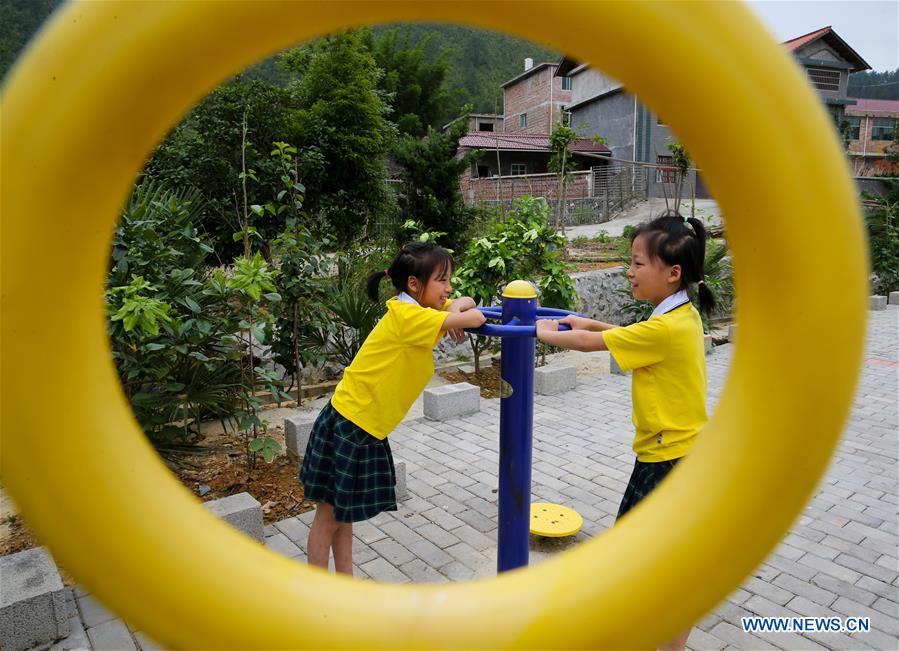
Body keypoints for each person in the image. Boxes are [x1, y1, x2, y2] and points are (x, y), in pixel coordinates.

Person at [536, 213, 716, 651]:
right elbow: (628, 336)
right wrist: (589, 322)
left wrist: (537, 330)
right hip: (679, 455)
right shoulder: (678, 317)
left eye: (638, 264)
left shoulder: (665, 328)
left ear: (672, 274)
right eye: (630, 261)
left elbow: (592, 347)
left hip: (669, 460)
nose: (629, 271)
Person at [301, 242, 486, 575]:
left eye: (449, 280)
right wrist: (455, 316)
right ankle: (318, 591)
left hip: (358, 422)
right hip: (350, 423)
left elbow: (466, 304)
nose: (449, 288)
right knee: (328, 518)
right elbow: (476, 314)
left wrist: (452, 312)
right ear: (414, 284)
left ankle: (343, 584)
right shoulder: (409, 318)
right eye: (442, 280)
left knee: (342, 515)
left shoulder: (413, 314)